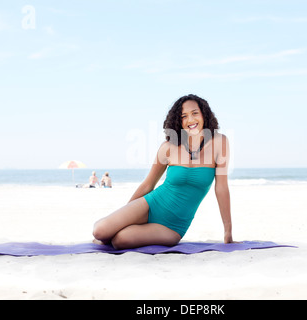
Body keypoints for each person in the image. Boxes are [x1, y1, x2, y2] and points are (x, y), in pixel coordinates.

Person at [93, 94, 234, 249]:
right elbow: (148, 184)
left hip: (173, 227)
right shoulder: (168, 147)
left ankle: (117, 235)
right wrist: (126, 214)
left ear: (204, 114)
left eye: (195, 113)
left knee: (120, 240)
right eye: (184, 116)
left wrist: (228, 232)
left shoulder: (220, 142)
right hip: (151, 204)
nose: (190, 120)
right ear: (178, 121)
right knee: (99, 231)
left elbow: (221, 188)